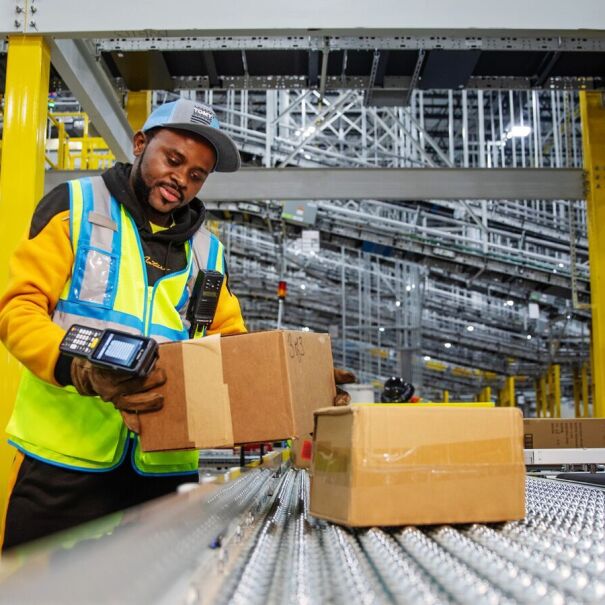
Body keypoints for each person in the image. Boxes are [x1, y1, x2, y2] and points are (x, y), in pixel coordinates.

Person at [0, 99, 247, 550]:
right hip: (64, 461)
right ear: (140, 144)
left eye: (197, 175)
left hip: (165, 469)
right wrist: (76, 366)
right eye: (173, 160)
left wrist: (293, 375)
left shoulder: (208, 253)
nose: (181, 180)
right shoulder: (74, 206)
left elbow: (232, 345)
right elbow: (18, 309)